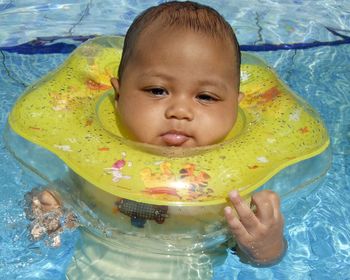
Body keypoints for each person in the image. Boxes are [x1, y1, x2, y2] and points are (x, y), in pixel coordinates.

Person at [31, 0, 285, 270]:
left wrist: (267, 245)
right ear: (118, 95)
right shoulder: (95, 163)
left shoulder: (233, 184)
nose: (180, 111)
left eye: (206, 96)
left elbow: (254, 258)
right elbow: (58, 202)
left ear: (235, 105)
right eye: (157, 90)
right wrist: (48, 208)